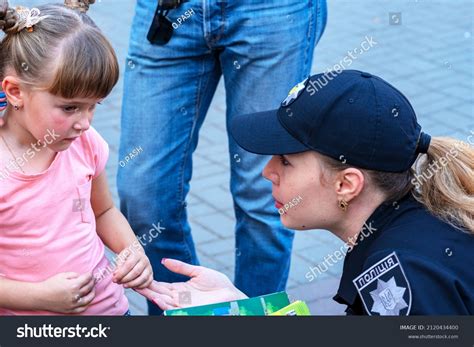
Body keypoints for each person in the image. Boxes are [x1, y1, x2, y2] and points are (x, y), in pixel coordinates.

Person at [143, 70, 474, 315]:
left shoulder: (405, 277)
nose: (267, 171)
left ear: (347, 184)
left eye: (285, 161)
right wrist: (241, 309)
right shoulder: (413, 230)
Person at [117, 0, 328, 315]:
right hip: (170, 11)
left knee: (265, 197)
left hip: (271, 11)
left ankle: (254, 321)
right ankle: (188, 315)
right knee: (144, 195)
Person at [0, 0, 153, 315]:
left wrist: (131, 249)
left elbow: (104, 211)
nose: (85, 123)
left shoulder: (84, 142)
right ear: (15, 92)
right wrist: (37, 297)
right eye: (70, 107)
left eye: (93, 105)